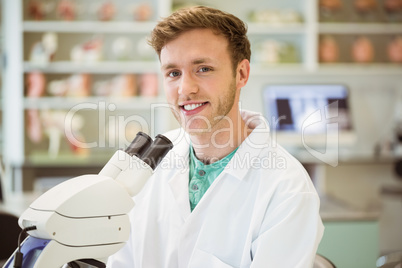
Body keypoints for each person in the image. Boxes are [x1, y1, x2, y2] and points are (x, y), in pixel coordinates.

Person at [107, 6, 324, 267]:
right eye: (173, 73)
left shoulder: (287, 188)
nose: (185, 89)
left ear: (241, 73)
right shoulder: (149, 162)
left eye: (204, 69)